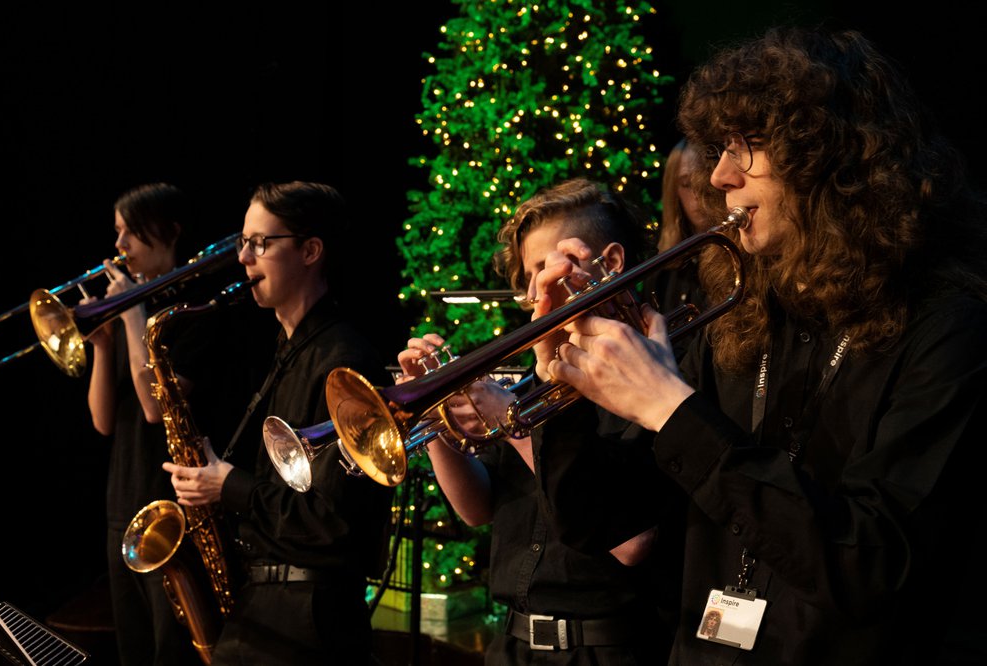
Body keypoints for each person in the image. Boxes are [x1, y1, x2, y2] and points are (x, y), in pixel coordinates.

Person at [532, 26, 987, 665]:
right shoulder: (739, 313)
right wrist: (567, 383)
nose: (719, 175)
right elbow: (599, 523)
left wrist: (671, 409)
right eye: (722, 147)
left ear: (833, 159)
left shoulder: (948, 328)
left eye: (748, 147)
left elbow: (871, 564)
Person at [397, 178, 686, 665]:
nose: (536, 291)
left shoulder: (652, 375)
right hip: (511, 645)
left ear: (610, 262)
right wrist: (434, 416)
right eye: (529, 275)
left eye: (544, 266)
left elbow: (632, 544)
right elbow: (478, 508)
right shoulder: (536, 380)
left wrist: (514, 424)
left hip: (607, 648)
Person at [162, 180, 394, 665]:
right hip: (273, 606)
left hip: (308, 620)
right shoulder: (290, 353)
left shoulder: (343, 364)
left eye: (261, 243)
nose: (244, 258)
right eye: (243, 243)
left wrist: (229, 487)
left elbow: (334, 524)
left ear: (310, 251)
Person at [85, 182, 205, 666]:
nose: (120, 248)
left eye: (131, 233)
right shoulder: (129, 318)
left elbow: (156, 407)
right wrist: (102, 345)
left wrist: (135, 312)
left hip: (168, 506)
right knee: (132, 646)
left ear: (170, 232)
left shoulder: (191, 312)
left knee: (166, 649)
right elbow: (102, 422)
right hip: (123, 500)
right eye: (118, 233)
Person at [643, 138, 715, 315]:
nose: (698, 194)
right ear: (673, 192)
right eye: (687, 184)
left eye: (704, 180)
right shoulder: (661, 274)